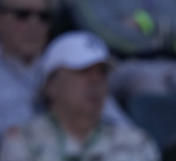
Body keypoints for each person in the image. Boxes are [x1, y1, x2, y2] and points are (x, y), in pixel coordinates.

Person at [0, 30, 176, 161]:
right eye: (82, 71)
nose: (95, 81)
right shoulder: (22, 141)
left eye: (102, 73)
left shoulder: (135, 142)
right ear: (51, 85)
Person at [0, 0, 127, 141]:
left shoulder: (69, 63)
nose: (34, 25)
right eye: (22, 15)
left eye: (44, 16)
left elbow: (121, 126)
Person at [66, 0, 176, 100]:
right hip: (125, 65)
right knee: (148, 80)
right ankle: (155, 155)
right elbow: (110, 36)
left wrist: (148, 24)